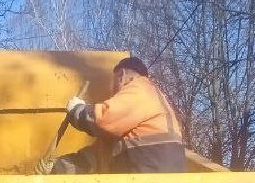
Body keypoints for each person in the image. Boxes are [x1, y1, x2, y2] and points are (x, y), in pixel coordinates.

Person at [54, 56, 187, 174]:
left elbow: (103, 120)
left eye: (114, 83)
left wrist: (77, 110)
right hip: (159, 173)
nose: (113, 91)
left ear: (121, 75)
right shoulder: (154, 97)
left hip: (145, 172)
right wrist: (63, 166)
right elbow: (104, 149)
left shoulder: (139, 89)